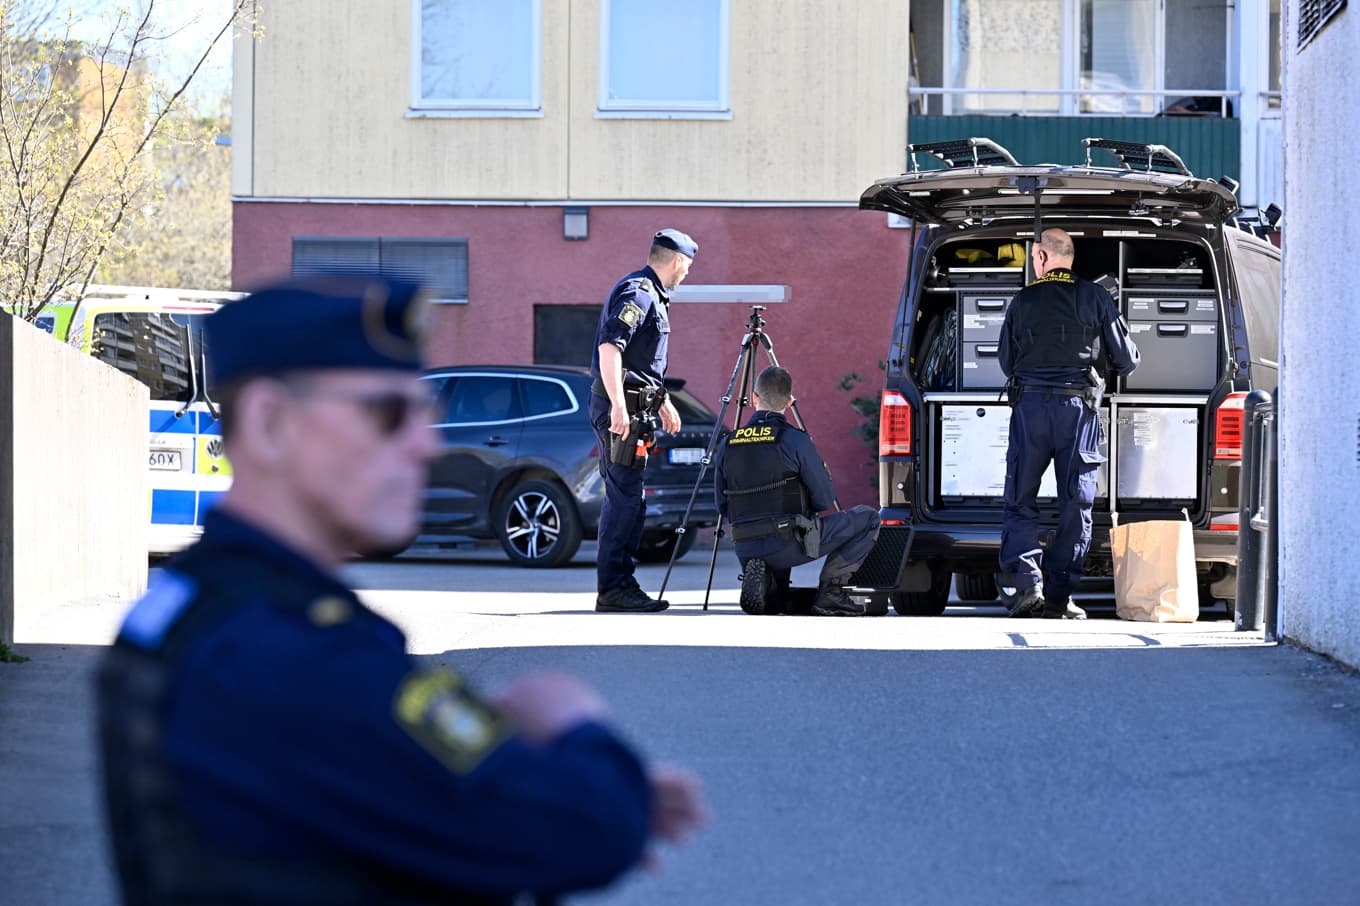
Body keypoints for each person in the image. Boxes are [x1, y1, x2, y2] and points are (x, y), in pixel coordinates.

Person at [94, 274, 706, 905]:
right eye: (388, 413)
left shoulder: (197, 604)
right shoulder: (294, 650)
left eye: (422, 411)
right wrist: (573, 726)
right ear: (272, 422)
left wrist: (544, 770)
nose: (422, 442)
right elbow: (581, 831)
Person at [998, 228, 1140, 620]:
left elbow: (1006, 362)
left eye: (1032, 257)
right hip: (1076, 411)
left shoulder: (1022, 299)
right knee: (1075, 502)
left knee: (1020, 497)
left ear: (1042, 257)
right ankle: (1059, 598)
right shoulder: (1096, 297)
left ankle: (1028, 585)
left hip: (1029, 409)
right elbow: (1127, 360)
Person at [713, 366, 881, 616]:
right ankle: (832, 593)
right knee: (868, 517)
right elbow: (823, 498)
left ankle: (770, 588)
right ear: (790, 402)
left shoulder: (728, 442)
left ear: (754, 398)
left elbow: (721, 505)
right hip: (787, 545)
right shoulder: (794, 440)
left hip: (744, 544)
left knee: (775, 598)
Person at [588, 228, 696, 613]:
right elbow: (610, 348)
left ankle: (621, 584)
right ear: (678, 261)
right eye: (687, 268)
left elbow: (640, 364)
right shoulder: (638, 293)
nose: (687, 275)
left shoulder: (653, 295)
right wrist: (618, 405)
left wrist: (663, 401)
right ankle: (614, 588)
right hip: (623, 412)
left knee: (631, 499)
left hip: (638, 409)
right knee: (624, 498)